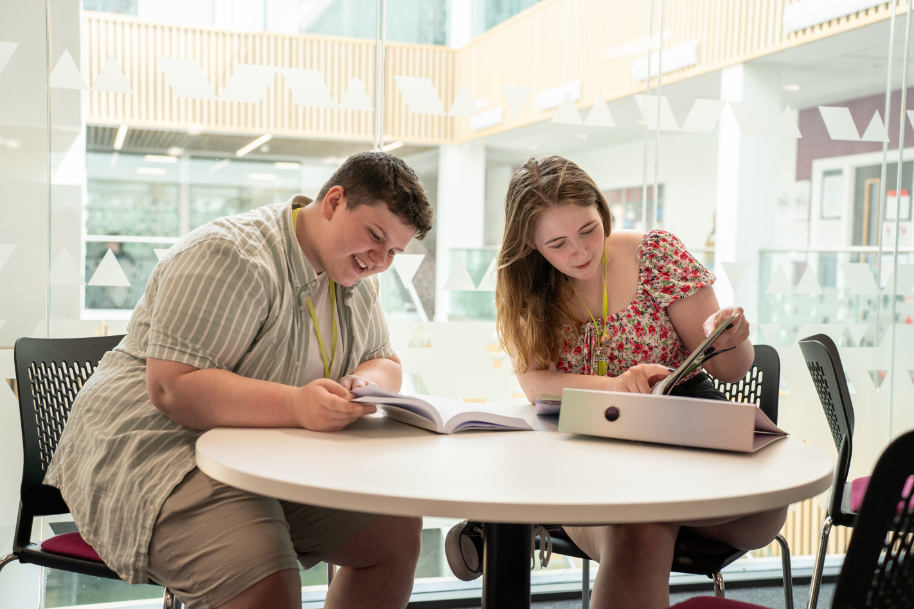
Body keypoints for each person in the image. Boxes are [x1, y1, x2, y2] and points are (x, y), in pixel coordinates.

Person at [45, 152, 434, 609]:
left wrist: (358, 383)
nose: (379, 260)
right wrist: (297, 405)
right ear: (333, 201)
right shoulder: (229, 252)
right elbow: (172, 387)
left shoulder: (353, 274)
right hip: (163, 448)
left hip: (259, 454)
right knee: (265, 584)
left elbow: (384, 359)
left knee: (395, 530)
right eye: (375, 236)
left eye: (393, 251)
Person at [445, 156, 787, 609]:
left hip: (684, 451)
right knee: (639, 524)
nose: (581, 252)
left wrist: (733, 339)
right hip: (600, 462)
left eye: (589, 230)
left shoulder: (657, 255)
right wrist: (620, 385)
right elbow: (537, 386)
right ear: (532, 246)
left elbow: (729, 369)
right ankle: (523, 519)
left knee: (659, 512)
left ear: (602, 211)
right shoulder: (530, 287)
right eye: (558, 244)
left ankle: (519, 522)